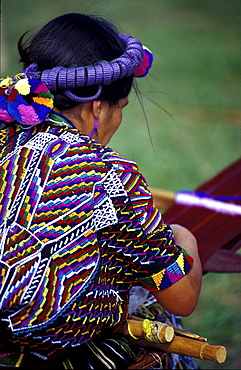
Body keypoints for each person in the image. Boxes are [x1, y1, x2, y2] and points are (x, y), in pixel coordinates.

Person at [0, 13, 202, 369]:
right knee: (154, 314)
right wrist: (184, 237)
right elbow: (182, 298)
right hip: (40, 355)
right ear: (97, 106)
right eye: (119, 107)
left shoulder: (6, 134)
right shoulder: (112, 177)